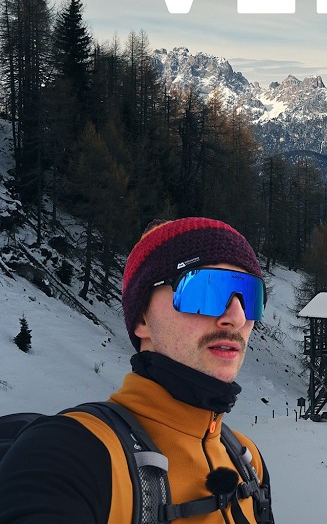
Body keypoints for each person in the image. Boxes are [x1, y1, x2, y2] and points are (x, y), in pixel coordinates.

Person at [0, 217, 275, 523]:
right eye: (205, 290)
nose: (236, 318)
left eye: (250, 296)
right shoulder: (74, 454)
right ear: (142, 319)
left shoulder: (247, 461)